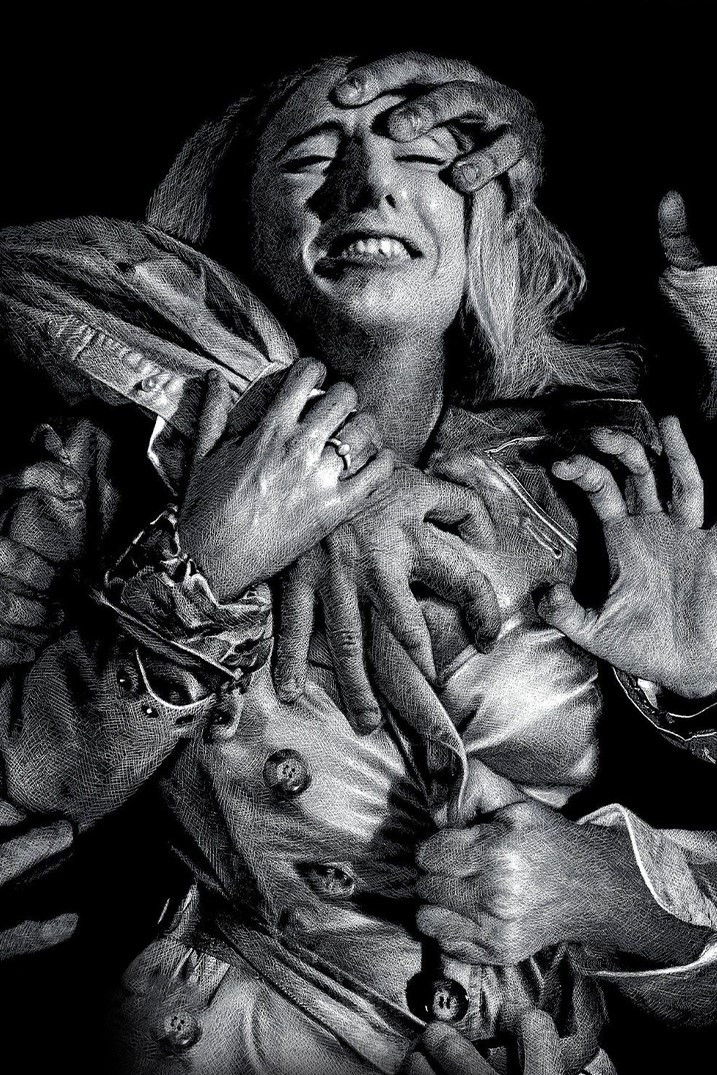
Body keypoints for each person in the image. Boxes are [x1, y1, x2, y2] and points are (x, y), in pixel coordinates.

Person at [0, 51, 714, 1074]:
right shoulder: (106, 469)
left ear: (490, 222)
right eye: (309, 158)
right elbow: (28, 793)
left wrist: (613, 882)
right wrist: (236, 536)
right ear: (241, 227)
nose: (367, 183)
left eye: (424, 157)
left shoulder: (603, 477)